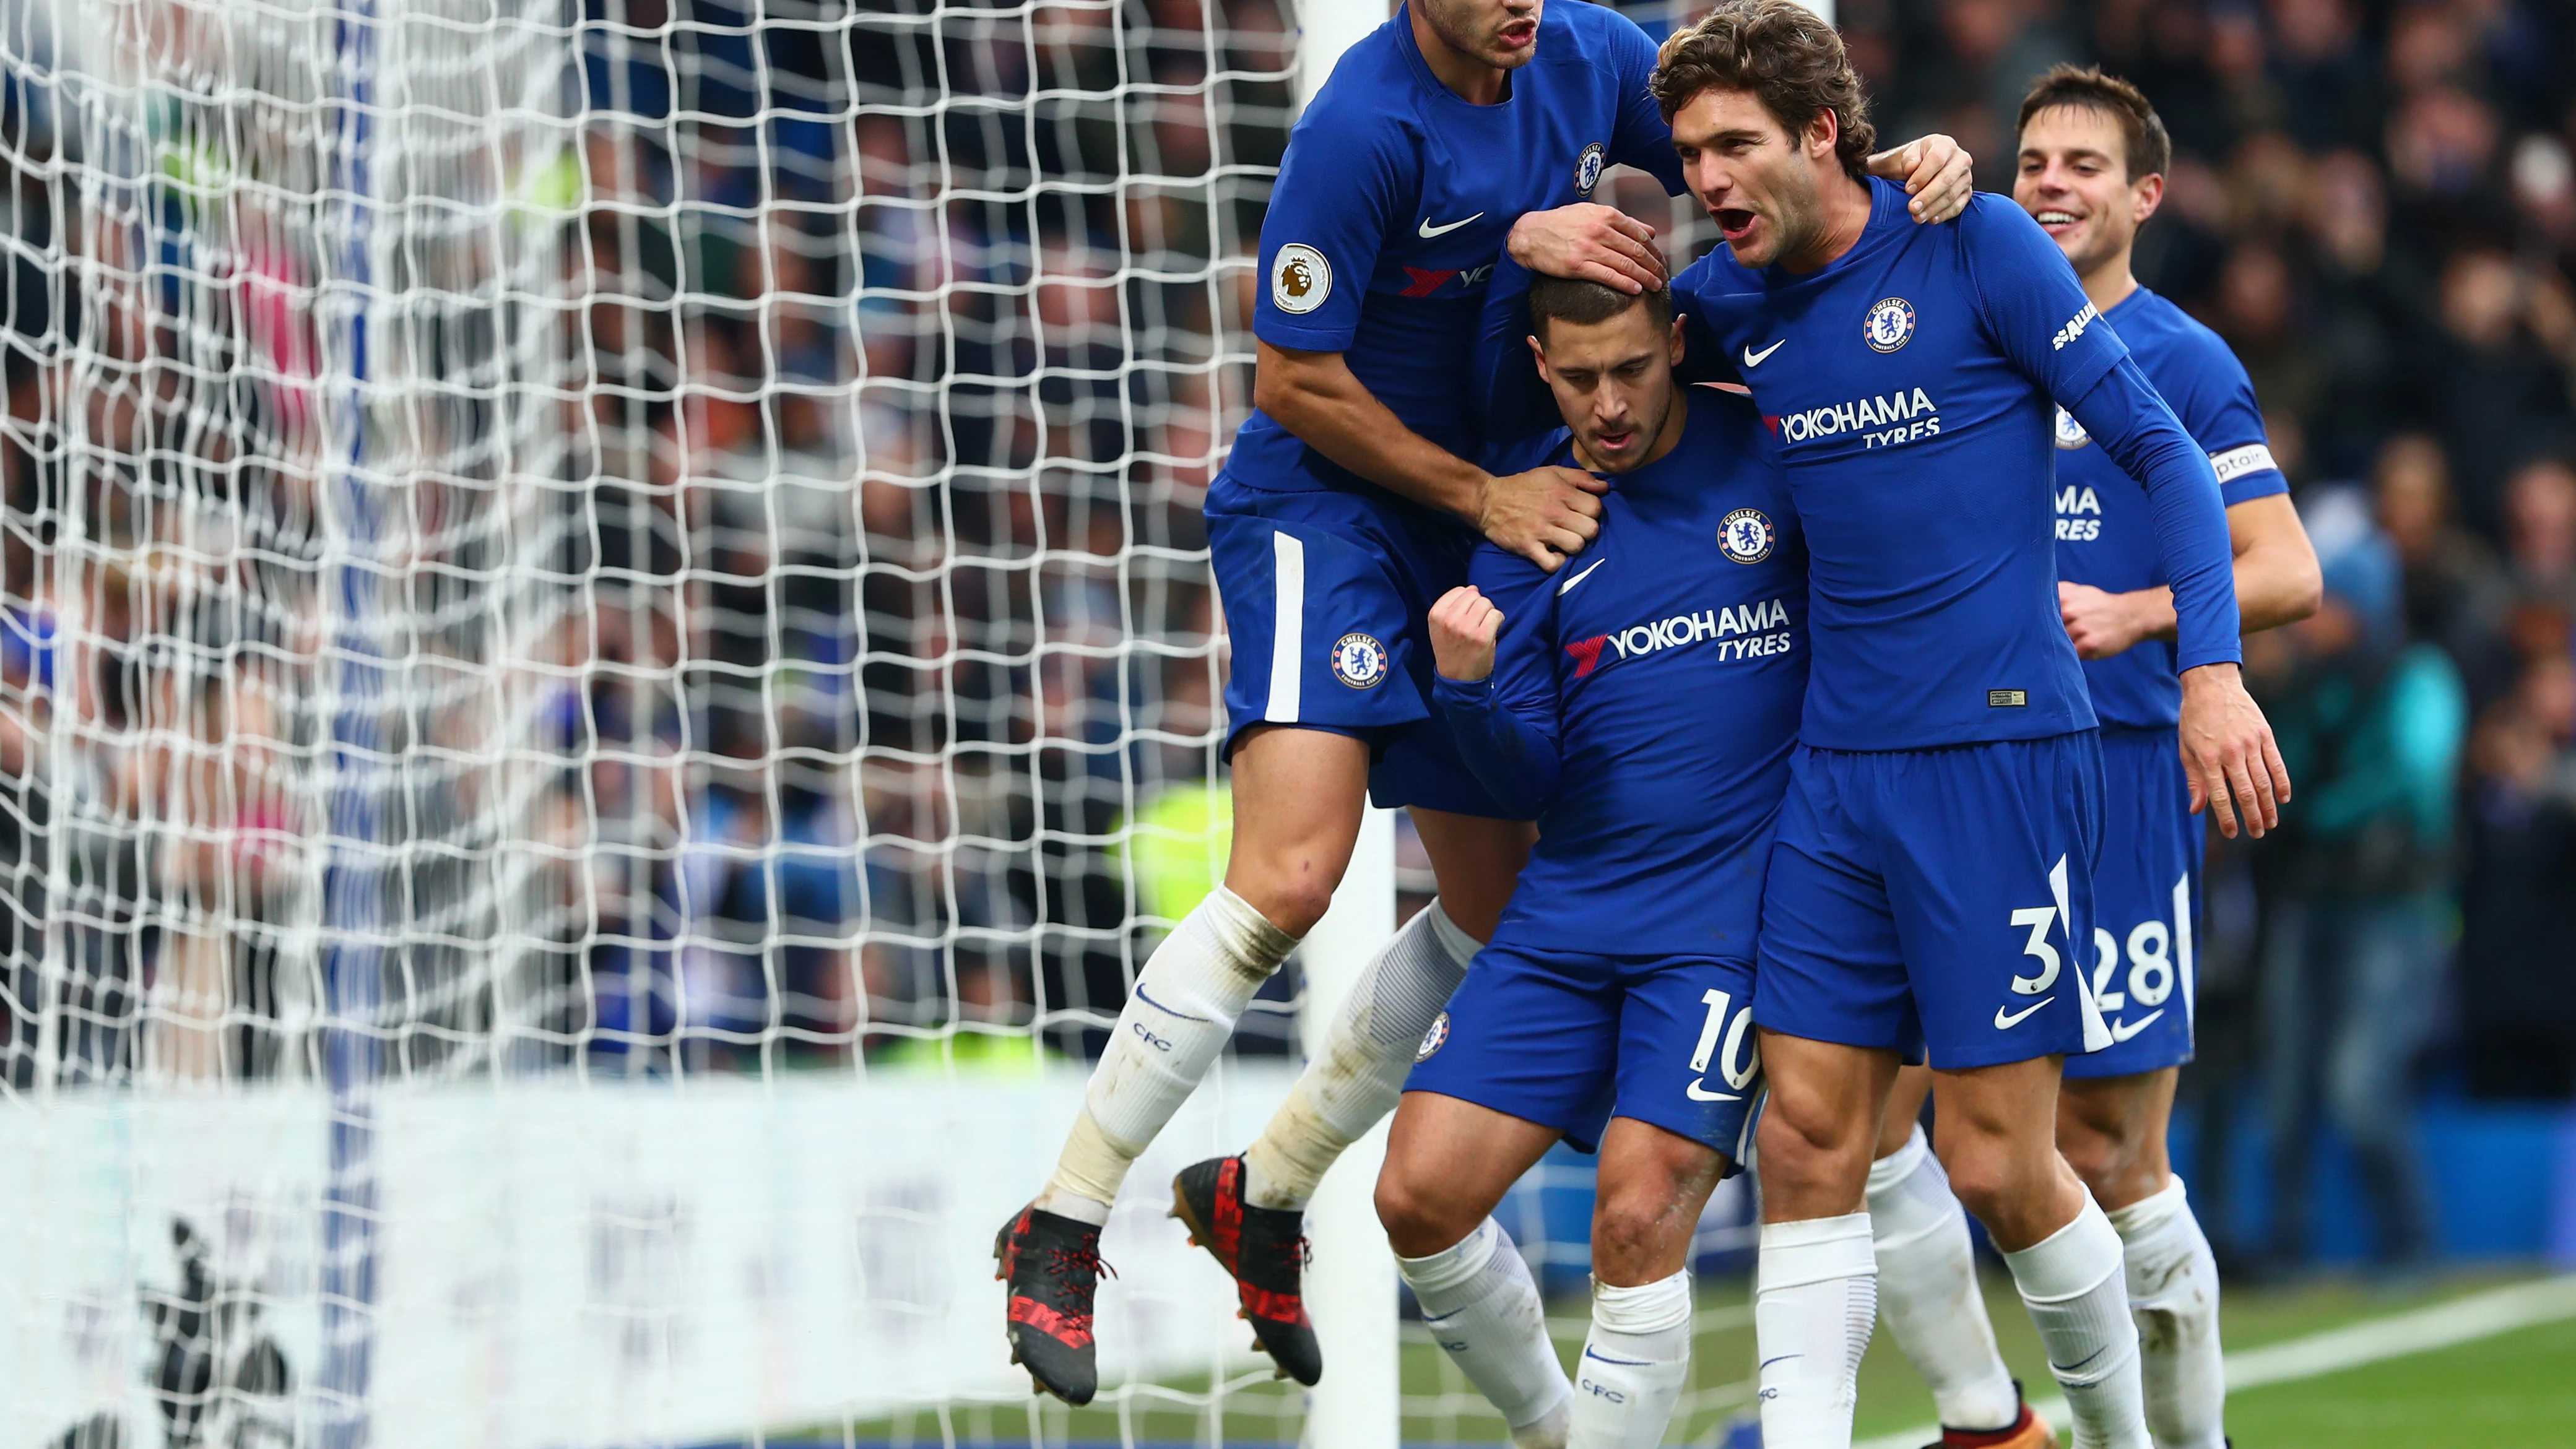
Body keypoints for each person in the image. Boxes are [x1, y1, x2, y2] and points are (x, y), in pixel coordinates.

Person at [993, 0, 1974, 1406]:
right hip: (1337, 504)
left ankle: (1268, 1188)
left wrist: (1899, 176)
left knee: (1505, 911)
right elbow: (1289, 378)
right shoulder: (1359, 127)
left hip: (1496, 502)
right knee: (1289, 878)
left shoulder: (1586, 53)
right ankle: (1068, 1216)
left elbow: (1736, 168)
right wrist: (1483, 466)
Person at [1629, 8, 2283, 1447]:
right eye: (1688, 157)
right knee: (1810, 1142)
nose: (1708, 178)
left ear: (1819, 135)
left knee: (2002, 1163)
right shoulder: (1726, 306)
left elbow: (2161, 457)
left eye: (1734, 144)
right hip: (1833, 774)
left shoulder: (1977, 243)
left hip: (1998, 760)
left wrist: (2212, 672)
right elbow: (1594, 359)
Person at [1862, 67, 2321, 1449]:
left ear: (2144, 198)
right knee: (1866, 1122)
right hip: (1942, 770)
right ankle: (1985, 1418)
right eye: (2035, 161)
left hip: (2116, 778)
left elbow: (2285, 569)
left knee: (2110, 1154)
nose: (2052, 182)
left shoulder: (2177, 358)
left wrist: (2132, 615)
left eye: (2083, 165)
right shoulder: (1960, 330)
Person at [1371, 273, 1804, 1448]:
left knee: (1635, 1218)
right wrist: (1463, 693)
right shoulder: (1536, 520)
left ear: (1675, 343)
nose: (1607, 405)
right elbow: (1525, 778)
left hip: (1727, 925)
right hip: (1569, 913)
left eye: (1630, 371)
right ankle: (1560, 1430)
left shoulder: (1773, 447)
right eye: (1577, 379)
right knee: (1415, 1197)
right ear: (1540, 362)